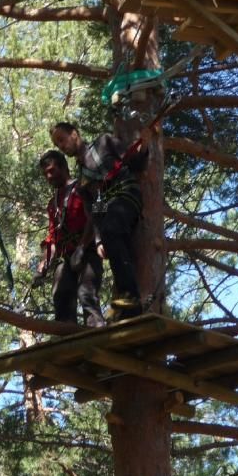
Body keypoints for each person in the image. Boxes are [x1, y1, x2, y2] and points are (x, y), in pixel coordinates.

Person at [50, 121, 147, 318]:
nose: (62, 145)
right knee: (114, 240)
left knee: (112, 230)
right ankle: (127, 301)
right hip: (111, 210)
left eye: (62, 139)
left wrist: (144, 147)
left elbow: (133, 159)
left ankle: (130, 297)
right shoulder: (82, 181)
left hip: (126, 193)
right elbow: (96, 208)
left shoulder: (104, 142)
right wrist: (98, 239)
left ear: (75, 134)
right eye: (58, 144)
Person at [35, 150, 106, 328]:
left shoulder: (83, 187)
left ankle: (96, 331)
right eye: (45, 174)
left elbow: (96, 215)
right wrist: (43, 263)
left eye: (51, 171)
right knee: (61, 295)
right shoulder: (53, 203)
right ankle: (65, 337)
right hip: (66, 255)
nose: (48, 177)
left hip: (88, 249)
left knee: (87, 294)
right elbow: (52, 237)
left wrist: (83, 246)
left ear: (64, 167)